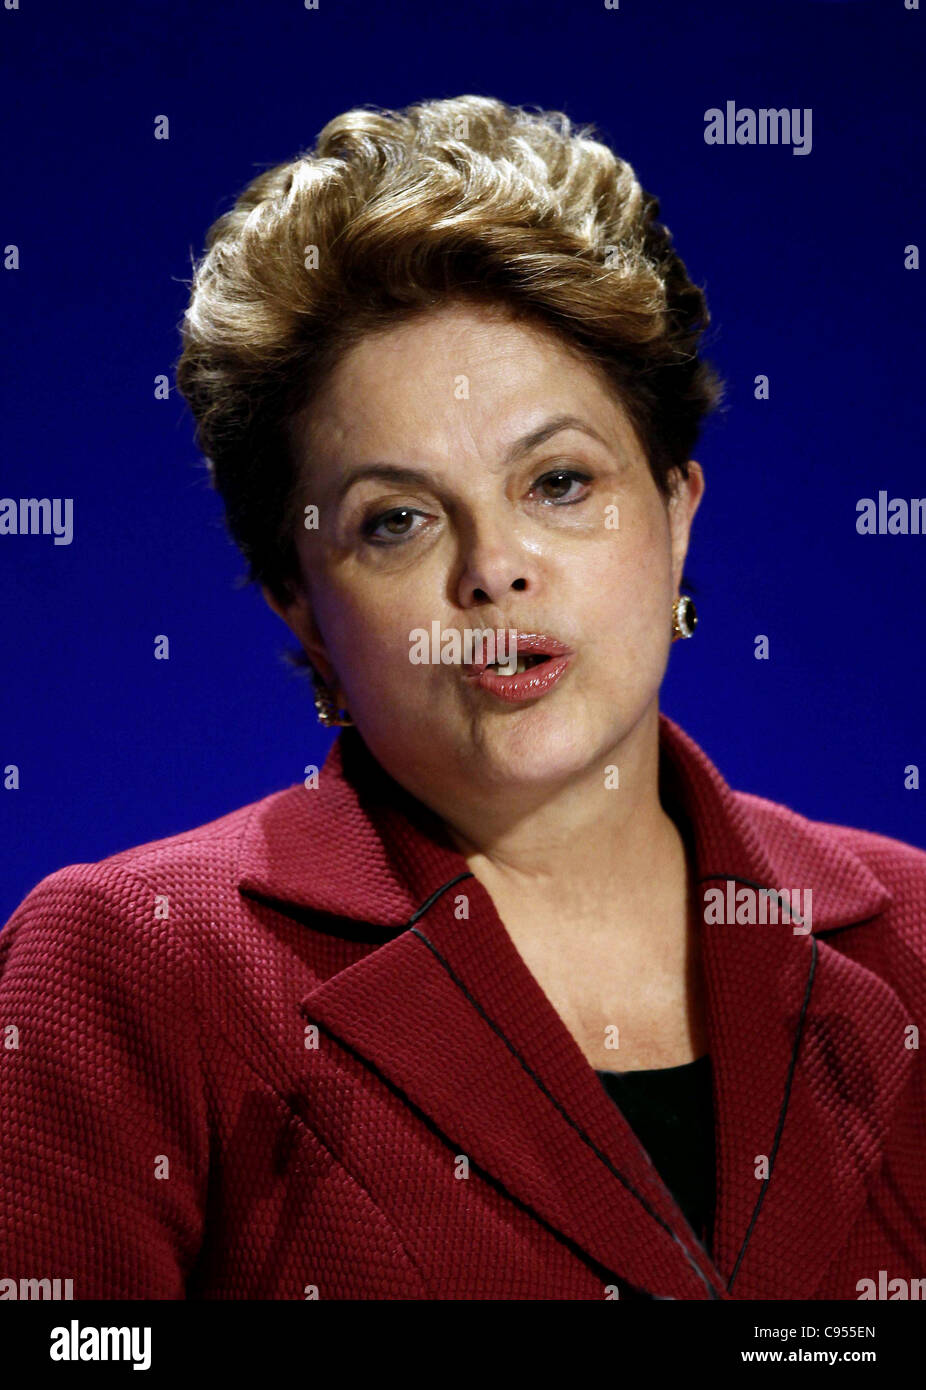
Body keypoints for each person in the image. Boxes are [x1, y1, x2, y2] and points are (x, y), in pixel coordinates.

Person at [2, 94, 925, 1301]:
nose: (493, 566)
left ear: (674, 509)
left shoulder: (908, 936)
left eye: (557, 481)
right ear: (299, 600)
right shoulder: (126, 965)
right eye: (397, 518)